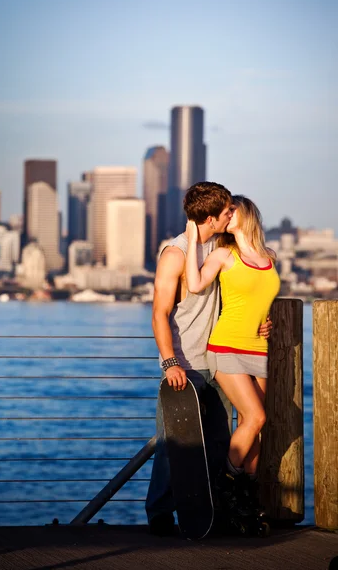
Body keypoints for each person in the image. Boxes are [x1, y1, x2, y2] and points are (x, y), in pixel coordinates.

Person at [145, 183, 272, 536]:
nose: (233, 214)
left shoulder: (223, 247)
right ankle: (159, 515)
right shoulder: (175, 253)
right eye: (228, 211)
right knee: (174, 445)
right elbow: (159, 312)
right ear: (212, 217)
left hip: (221, 359)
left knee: (219, 441)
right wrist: (170, 362)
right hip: (185, 365)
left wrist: (260, 322)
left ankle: (214, 511)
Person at [185, 195, 280, 519]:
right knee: (257, 418)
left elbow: (260, 300)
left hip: (260, 349)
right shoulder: (224, 255)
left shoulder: (270, 257)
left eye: (231, 211)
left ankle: (247, 498)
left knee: (255, 427)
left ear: (247, 214)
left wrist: (268, 322)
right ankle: (222, 484)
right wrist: (190, 237)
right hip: (226, 347)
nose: (226, 216)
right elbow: (196, 284)